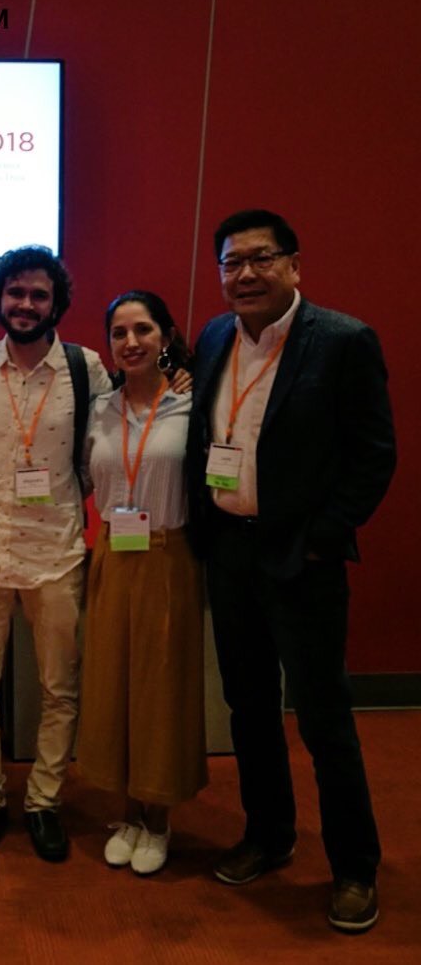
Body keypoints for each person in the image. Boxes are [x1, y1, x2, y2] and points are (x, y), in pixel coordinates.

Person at [188, 209, 395, 932]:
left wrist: (322, 537)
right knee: (248, 709)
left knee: (323, 718)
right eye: (231, 262)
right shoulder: (214, 337)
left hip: (301, 559)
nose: (245, 273)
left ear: (294, 265)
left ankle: (355, 869)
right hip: (230, 552)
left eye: (261, 258)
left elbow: (374, 454)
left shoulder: (341, 341)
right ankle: (269, 834)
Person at [0, 246, 113, 861]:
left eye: (38, 294)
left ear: (55, 303)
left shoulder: (84, 368)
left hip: (55, 552)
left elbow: (101, 453)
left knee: (59, 688)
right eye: (15, 293)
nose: (25, 304)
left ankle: (44, 802)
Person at [77, 290, 206, 876]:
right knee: (112, 685)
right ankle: (126, 812)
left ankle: (157, 816)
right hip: (112, 553)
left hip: (167, 555)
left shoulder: (191, 406)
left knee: (160, 688)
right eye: (119, 333)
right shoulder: (99, 409)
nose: (130, 342)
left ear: (165, 336)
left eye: (143, 330)